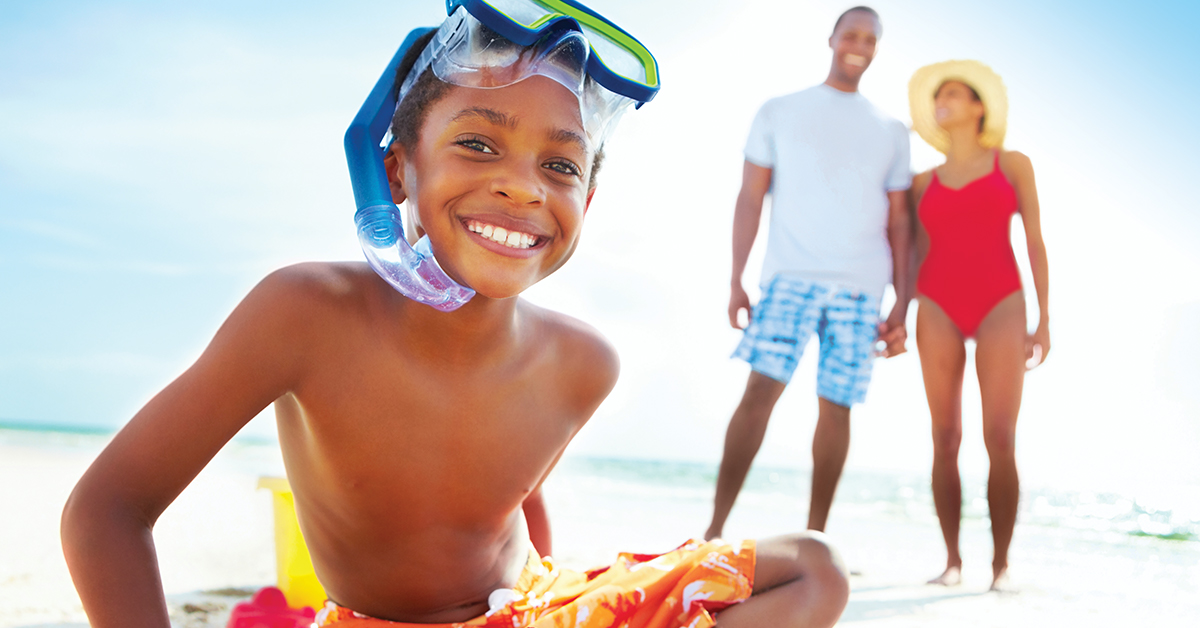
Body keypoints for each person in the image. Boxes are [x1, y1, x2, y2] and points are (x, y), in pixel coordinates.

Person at [60, 2, 850, 627]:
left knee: (814, 569)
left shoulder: (583, 363)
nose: (522, 187)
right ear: (392, 167)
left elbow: (510, 503)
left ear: (587, 200)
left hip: (536, 612)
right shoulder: (305, 314)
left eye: (561, 164)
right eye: (478, 144)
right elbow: (107, 511)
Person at [705, 6, 912, 541]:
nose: (858, 44)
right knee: (758, 395)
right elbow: (750, 198)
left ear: (876, 47)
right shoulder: (780, 110)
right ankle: (714, 530)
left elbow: (900, 222)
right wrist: (735, 278)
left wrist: (902, 304)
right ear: (832, 38)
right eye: (851, 34)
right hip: (788, 278)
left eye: (870, 38)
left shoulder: (891, 130)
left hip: (861, 287)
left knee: (837, 408)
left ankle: (814, 538)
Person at [905, 59, 1050, 591]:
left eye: (955, 93)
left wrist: (1044, 318)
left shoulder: (1013, 165)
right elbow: (913, 256)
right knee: (945, 436)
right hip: (937, 305)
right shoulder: (921, 182)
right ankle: (952, 563)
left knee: (1000, 437)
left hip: (1002, 304)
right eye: (938, 94)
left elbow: (1034, 240)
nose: (944, 100)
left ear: (978, 106)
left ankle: (1001, 566)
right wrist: (901, 316)